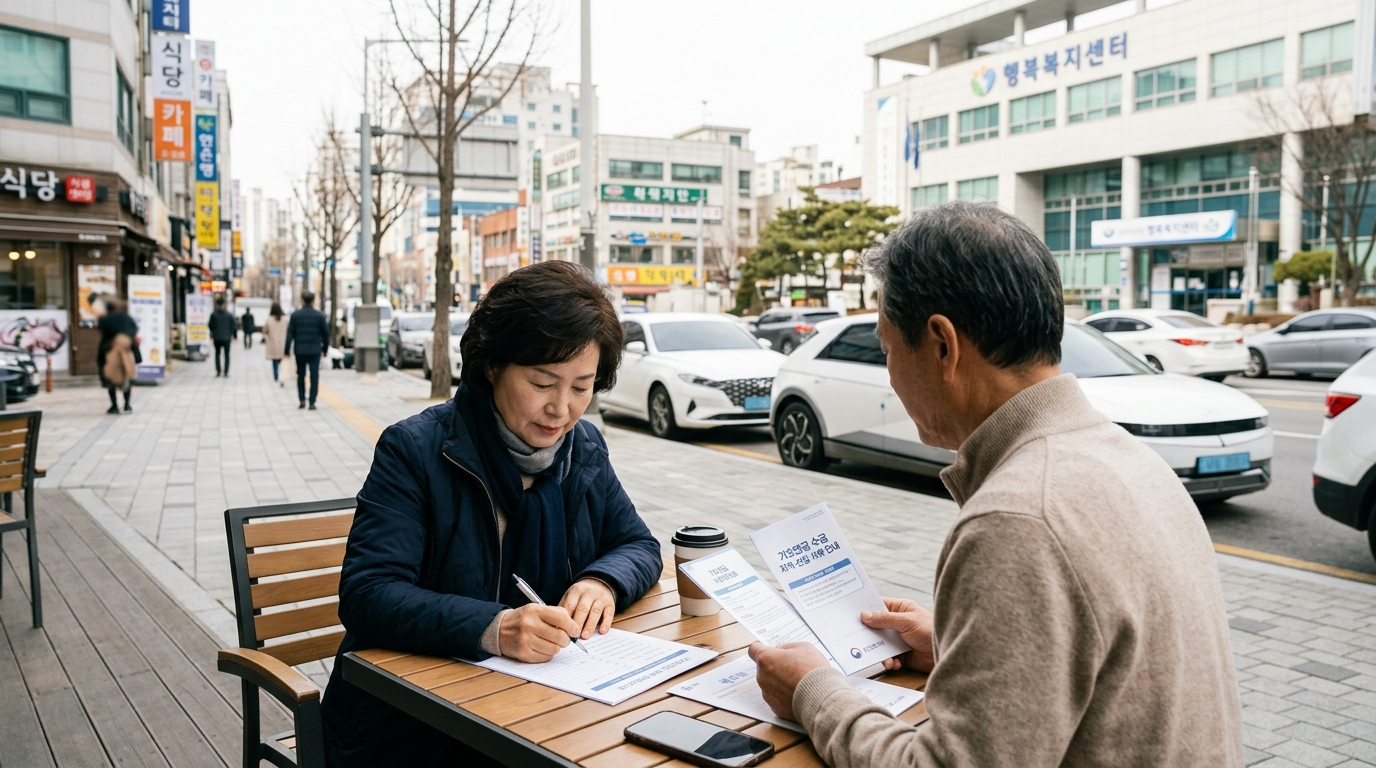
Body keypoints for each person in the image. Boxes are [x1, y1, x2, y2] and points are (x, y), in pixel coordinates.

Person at [748, 201, 1244, 767]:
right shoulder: (1130, 458)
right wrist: (958, 648)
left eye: (887, 349)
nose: (888, 372)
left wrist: (813, 689)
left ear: (941, 345)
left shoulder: (1016, 519)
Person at [321, 261, 661, 766]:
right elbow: (369, 594)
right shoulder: (416, 450)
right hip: (412, 727)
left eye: (581, 386)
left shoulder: (582, 447)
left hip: (542, 712)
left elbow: (639, 545)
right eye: (543, 383)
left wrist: (603, 581)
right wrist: (494, 627)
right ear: (492, 366)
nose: (562, 409)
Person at [284, 291, 329, 409]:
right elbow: (325, 334)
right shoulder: (320, 316)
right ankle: (312, 402)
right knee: (314, 375)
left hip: (300, 351)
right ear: (313, 301)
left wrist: (286, 350)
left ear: (302, 300)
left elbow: (290, 333)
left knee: (300, 375)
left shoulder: (295, 315)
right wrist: (325, 349)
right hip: (315, 351)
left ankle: (302, 399)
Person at [96, 297, 139, 414]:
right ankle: (127, 405)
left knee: (110, 378)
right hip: (126, 352)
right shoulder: (126, 318)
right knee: (126, 375)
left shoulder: (105, 319)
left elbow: (101, 328)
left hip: (109, 353)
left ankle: (114, 406)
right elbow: (134, 329)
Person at [208, 296, 237, 377]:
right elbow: (234, 326)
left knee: (217, 354)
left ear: (217, 304)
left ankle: (218, 371)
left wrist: (213, 332)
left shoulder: (213, 314)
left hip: (216, 337)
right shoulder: (229, 314)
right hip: (227, 338)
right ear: (224, 304)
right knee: (227, 354)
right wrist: (234, 336)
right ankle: (226, 371)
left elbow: (210, 325)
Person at [261, 302, 288, 387]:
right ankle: (281, 375)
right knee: (281, 360)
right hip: (283, 344)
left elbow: (264, 330)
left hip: (273, 343)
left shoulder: (269, 319)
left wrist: (264, 337)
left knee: (275, 361)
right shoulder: (285, 319)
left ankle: (276, 375)